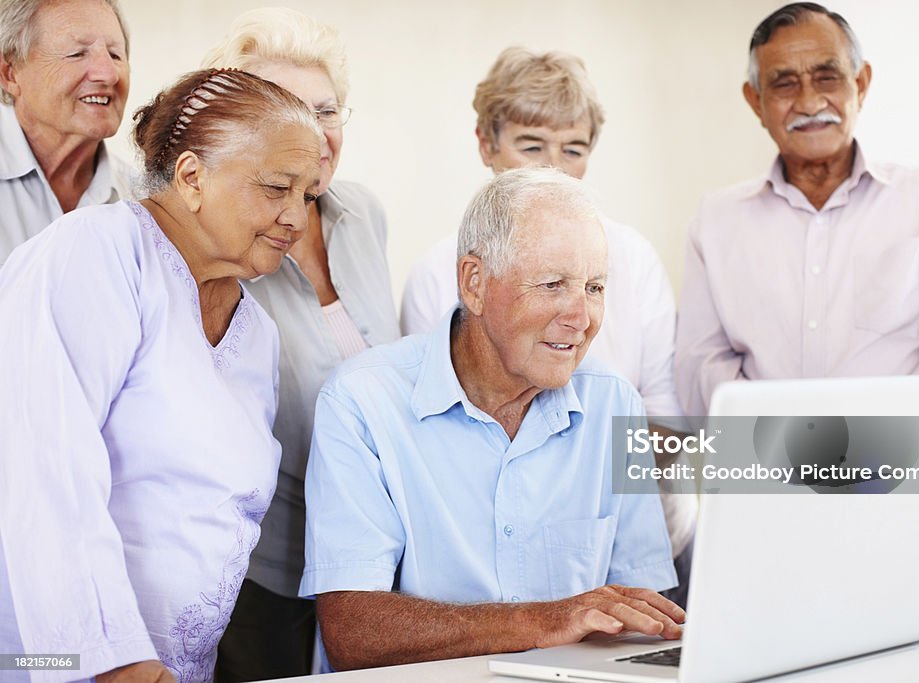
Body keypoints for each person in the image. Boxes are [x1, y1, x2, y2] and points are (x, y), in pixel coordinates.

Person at [0, 68, 322, 682]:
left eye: (306, 195)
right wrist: (117, 663)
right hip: (56, 661)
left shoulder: (257, 333)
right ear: (192, 177)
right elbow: (44, 465)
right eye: (277, 187)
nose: (296, 219)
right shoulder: (96, 251)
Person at [303, 167, 683, 670]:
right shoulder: (361, 401)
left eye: (594, 287)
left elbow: (640, 616)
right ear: (474, 283)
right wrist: (548, 620)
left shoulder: (614, 403)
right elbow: (352, 633)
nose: (582, 316)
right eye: (552, 284)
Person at [400, 46, 696, 603]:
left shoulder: (634, 257)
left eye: (573, 148)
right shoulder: (440, 274)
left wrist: (576, 474)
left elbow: (667, 420)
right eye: (531, 146)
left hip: (642, 538)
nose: (551, 168)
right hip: (502, 565)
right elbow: (435, 440)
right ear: (486, 144)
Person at [674, 2, 919, 417]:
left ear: (861, 83)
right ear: (756, 102)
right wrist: (782, 446)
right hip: (768, 471)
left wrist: (880, 445)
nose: (810, 103)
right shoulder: (716, 221)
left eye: (827, 77)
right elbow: (701, 360)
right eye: (785, 84)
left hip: (907, 469)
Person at [201, 8, 402, 680]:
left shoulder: (364, 213)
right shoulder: (215, 243)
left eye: (327, 109)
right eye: (287, 109)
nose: (314, 132)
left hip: (375, 564)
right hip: (263, 575)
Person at [0, 0, 135, 265]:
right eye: (76, 54)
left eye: (115, 54)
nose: (108, 74)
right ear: (10, 74)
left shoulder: (143, 202)